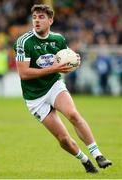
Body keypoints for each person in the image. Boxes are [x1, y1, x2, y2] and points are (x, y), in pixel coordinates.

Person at [14, 4, 112, 173]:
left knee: (73, 114)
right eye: (35, 17)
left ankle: (98, 155)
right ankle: (85, 161)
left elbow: (67, 55)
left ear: (50, 20)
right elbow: (23, 74)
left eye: (41, 17)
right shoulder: (24, 42)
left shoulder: (58, 39)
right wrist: (53, 68)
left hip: (54, 85)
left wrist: (75, 59)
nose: (37, 20)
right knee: (63, 139)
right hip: (35, 97)